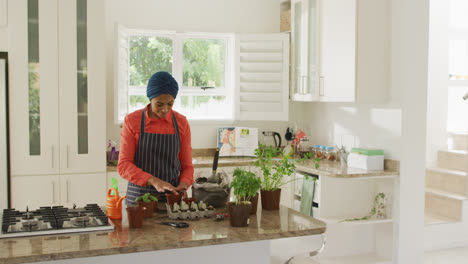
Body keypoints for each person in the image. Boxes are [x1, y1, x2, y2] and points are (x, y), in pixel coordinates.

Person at [118, 71, 194, 204]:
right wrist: (154, 181)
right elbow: (124, 165)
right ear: (150, 98)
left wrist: (184, 184)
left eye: (170, 104)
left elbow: (187, 166)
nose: (165, 109)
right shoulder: (132, 121)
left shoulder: (181, 123)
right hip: (139, 199)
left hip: (171, 198)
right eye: (159, 104)